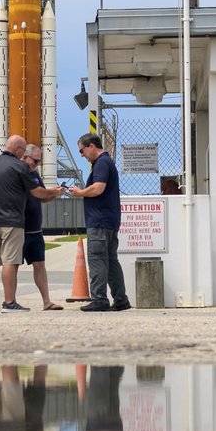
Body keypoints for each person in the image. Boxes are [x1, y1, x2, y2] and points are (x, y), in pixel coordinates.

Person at [0, 136, 59, 315]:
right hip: (13, 222)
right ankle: (9, 302)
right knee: (10, 262)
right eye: (23, 150)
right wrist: (53, 192)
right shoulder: (20, 167)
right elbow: (37, 192)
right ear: (17, 150)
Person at [65, 133, 128, 311]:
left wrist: (80, 192)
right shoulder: (107, 163)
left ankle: (99, 299)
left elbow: (98, 188)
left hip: (99, 221)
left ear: (92, 146)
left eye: (82, 150)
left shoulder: (101, 163)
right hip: (110, 220)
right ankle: (121, 299)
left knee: (97, 260)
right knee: (111, 260)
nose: (81, 155)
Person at [17, 145, 63, 311]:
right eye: (35, 161)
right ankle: (10, 300)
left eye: (39, 161)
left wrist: (53, 193)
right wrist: (49, 192)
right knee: (13, 264)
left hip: (35, 229)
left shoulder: (35, 174)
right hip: (19, 228)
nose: (36, 164)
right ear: (25, 156)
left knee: (40, 264)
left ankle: (47, 301)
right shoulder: (17, 172)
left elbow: (42, 196)